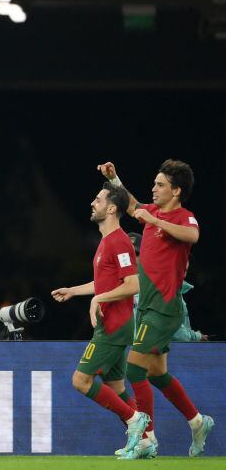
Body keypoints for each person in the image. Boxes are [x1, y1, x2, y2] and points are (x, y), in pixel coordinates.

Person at [97, 160, 214, 458]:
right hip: (150, 309)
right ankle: (197, 421)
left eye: (160, 184)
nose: (154, 188)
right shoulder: (154, 212)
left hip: (163, 308)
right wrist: (114, 179)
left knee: (134, 368)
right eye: (155, 183)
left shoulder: (184, 217)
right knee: (157, 373)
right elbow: (134, 204)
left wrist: (156, 220)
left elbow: (193, 236)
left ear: (176, 191)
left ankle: (146, 440)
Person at [51, 183, 151, 456]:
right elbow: (104, 283)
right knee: (115, 386)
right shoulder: (107, 242)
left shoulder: (119, 241)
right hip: (116, 324)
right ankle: (144, 441)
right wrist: (75, 291)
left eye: (98, 199)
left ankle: (134, 419)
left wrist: (100, 300)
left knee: (80, 381)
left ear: (112, 208)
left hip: (113, 326)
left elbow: (133, 284)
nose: (92, 203)